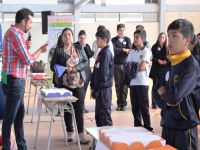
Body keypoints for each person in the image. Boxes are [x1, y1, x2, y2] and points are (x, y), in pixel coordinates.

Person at [1, 8, 48, 150]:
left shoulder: (12, 32)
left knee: (19, 116)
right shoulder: (16, 35)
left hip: (10, 79)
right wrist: (41, 50)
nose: (31, 25)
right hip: (15, 81)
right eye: (30, 22)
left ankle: (22, 146)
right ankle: (7, 147)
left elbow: (18, 57)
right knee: (10, 117)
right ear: (23, 21)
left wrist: (26, 47)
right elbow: (27, 60)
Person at [152, 19, 200, 150]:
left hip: (184, 129)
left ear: (187, 40)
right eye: (168, 36)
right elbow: (155, 91)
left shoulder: (191, 66)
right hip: (167, 125)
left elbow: (176, 95)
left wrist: (164, 93)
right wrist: (166, 102)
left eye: (175, 36)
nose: (170, 40)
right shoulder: (170, 64)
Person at [50, 28, 90, 144]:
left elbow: (86, 62)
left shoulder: (79, 48)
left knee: (79, 109)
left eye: (69, 34)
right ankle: (69, 132)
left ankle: (81, 134)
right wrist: (64, 69)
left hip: (79, 83)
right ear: (62, 38)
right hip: (65, 84)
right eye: (64, 35)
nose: (67, 36)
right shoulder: (58, 51)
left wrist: (75, 68)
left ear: (72, 37)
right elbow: (53, 66)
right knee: (68, 109)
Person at [127, 29, 153, 131]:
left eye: (137, 37)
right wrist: (136, 65)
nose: (135, 39)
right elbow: (126, 66)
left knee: (144, 107)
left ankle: (147, 127)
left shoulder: (146, 51)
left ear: (143, 39)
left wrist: (133, 66)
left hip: (142, 83)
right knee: (135, 108)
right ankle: (138, 126)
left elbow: (142, 67)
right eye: (134, 37)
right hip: (133, 83)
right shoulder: (132, 52)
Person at [90, 28, 114, 127]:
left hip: (103, 90)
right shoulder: (101, 53)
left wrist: (96, 89)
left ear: (104, 40)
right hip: (100, 89)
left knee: (105, 118)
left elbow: (103, 76)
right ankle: (101, 141)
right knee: (99, 117)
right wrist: (92, 86)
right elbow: (96, 71)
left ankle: (108, 141)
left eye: (98, 39)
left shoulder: (106, 54)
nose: (96, 41)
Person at [111, 23, 131, 111]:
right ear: (117, 31)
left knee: (125, 85)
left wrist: (120, 51)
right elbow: (114, 50)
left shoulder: (128, 39)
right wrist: (123, 49)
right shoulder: (113, 40)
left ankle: (124, 103)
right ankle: (119, 103)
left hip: (125, 64)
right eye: (120, 30)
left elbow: (129, 50)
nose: (122, 32)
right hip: (116, 64)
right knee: (118, 84)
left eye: (123, 30)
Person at [75, 30, 94, 113]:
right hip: (78, 72)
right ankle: (77, 107)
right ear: (78, 38)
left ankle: (82, 107)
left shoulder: (87, 46)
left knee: (84, 90)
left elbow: (90, 55)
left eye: (84, 38)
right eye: (81, 38)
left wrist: (85, 46)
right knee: (78, 91)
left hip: (86, 72)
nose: (82, 40)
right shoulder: (75, 46)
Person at [149, 32, 168, 109]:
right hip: (156, 69)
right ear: (158, 38)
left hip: (163, 69)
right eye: (160, 37)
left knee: (163, 85)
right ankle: (154, 102)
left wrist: (166, 61)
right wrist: (158, 60)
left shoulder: (166, 48)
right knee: (155, 86)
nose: (162, 39)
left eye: (163, 37)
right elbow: (151, 57)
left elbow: (169, 57)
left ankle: (163, 100)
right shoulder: (154, 47)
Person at [48, 35, 64, 116]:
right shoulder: (56, 50)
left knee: (59, 93)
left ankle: (59, 110)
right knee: (61, 93)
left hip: (58, 74)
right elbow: (52, 63)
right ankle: (60, 110)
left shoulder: (55, 50)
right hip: (59, 75)